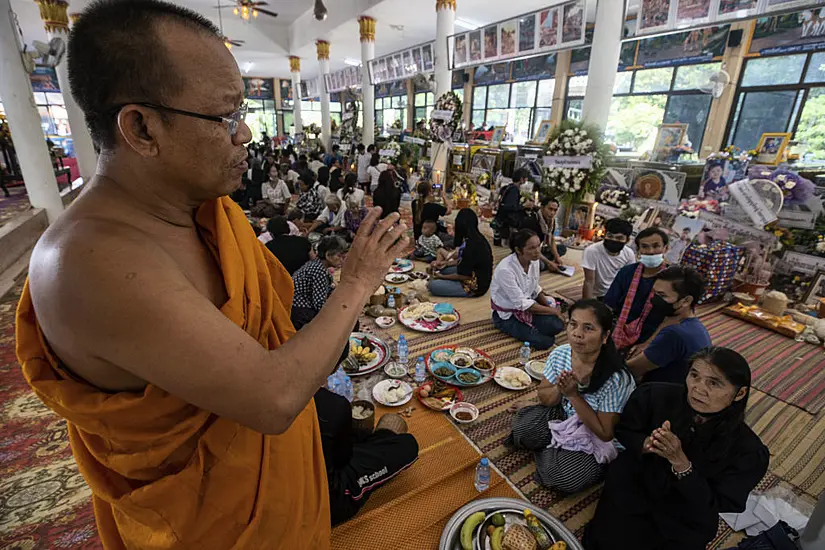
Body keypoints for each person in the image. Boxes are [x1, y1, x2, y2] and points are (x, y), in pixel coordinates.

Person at [16, 1, 410, 548]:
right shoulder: (89, 260)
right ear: (142, 128)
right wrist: (358, 281)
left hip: (275, 478)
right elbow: (273, 398)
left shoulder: (200, 209)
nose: (245, 132)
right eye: (225, 116)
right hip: (210, 521)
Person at [584, 348, 769, 550]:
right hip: (636, 486)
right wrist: (645, 444)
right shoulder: (655, 395)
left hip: (685, 515)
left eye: (713, 383)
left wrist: (681, 464)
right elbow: (626, 429)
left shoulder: (747, 451)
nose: (698, 388)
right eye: (694, 376)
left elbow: (718, 503)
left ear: (739, 393)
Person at [508, 300, 635, 493]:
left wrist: (573, 395)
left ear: (605, 336)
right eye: (573, 324)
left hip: (593, 434)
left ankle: (554, 453)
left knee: (562, 478)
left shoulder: (616, 378)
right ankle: (555, 448)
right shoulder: (561, 354)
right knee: (523, 431)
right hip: (565, 414)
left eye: (588, 328)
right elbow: (545, 398)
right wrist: (561, 389)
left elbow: (605, 433)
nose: (577, 334)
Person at [314, 386, 418, 526]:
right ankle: (380, 439)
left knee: (384, 427)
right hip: (327, 497)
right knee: (407, 444)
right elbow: (343, 460)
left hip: (309, 470)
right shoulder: (331, 405)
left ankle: (378, 440)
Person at [626, 267, 711, 384]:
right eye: (654, 293)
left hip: (660, 394)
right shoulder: (692, 325)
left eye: (662, 295)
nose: (654, 299)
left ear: (685, 301)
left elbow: (632, 369)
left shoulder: (675, 334)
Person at [490, 229, 564, 349]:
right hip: (507, 315)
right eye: (531, 248)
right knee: (545, 342)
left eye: (538, 246)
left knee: (557, 325)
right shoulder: (505, 270)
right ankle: (502, 325)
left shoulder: (534, 261)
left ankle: (532, 326)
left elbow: (535, 289)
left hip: (527, 307)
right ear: (518, 250)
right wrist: (553, 311)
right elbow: (522, 304)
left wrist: (550, 308)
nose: (537, 251)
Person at [603, 227, 670, 351]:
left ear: (666, 248)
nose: (650, 251)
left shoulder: (674, 278)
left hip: (655, 335)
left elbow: (674, 318)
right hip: (620, 328)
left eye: (656, 246)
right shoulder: (627, 272)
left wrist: (648, 344)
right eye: (645, 247)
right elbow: (609, 305)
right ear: (638, 251)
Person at [428, 208, 493, 298]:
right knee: (442, 269)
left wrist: (442, 277)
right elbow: (463, 261)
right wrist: (446, 263)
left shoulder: (472, 245)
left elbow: (464, 276)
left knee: (433, 285)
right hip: (471, 274)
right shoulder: (476, 238)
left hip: (475, 285)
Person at [291, 235, 347, 328]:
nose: (342, 260)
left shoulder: (316, 264)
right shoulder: (319, 271)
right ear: (328, 255)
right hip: (299, 310)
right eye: (340, 256)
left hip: (295, 305)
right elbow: (319, 305)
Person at [581, 218, 635, 300]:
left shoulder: (629, 254)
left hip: (617, 292)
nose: (614, 240)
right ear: (604, 235)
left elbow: (628, 280)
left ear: (627, 240)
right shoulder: (591, 251)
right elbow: (589, 281)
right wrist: (586, 305)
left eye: (619, 238)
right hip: (598, 294)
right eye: (610, 236)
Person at [494, 170, 526, 244]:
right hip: (507, 224)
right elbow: (510, 207)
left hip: (503, 222)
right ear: (521, 179)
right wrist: (523, 206)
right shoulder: (514, 190)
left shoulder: (509, 187)